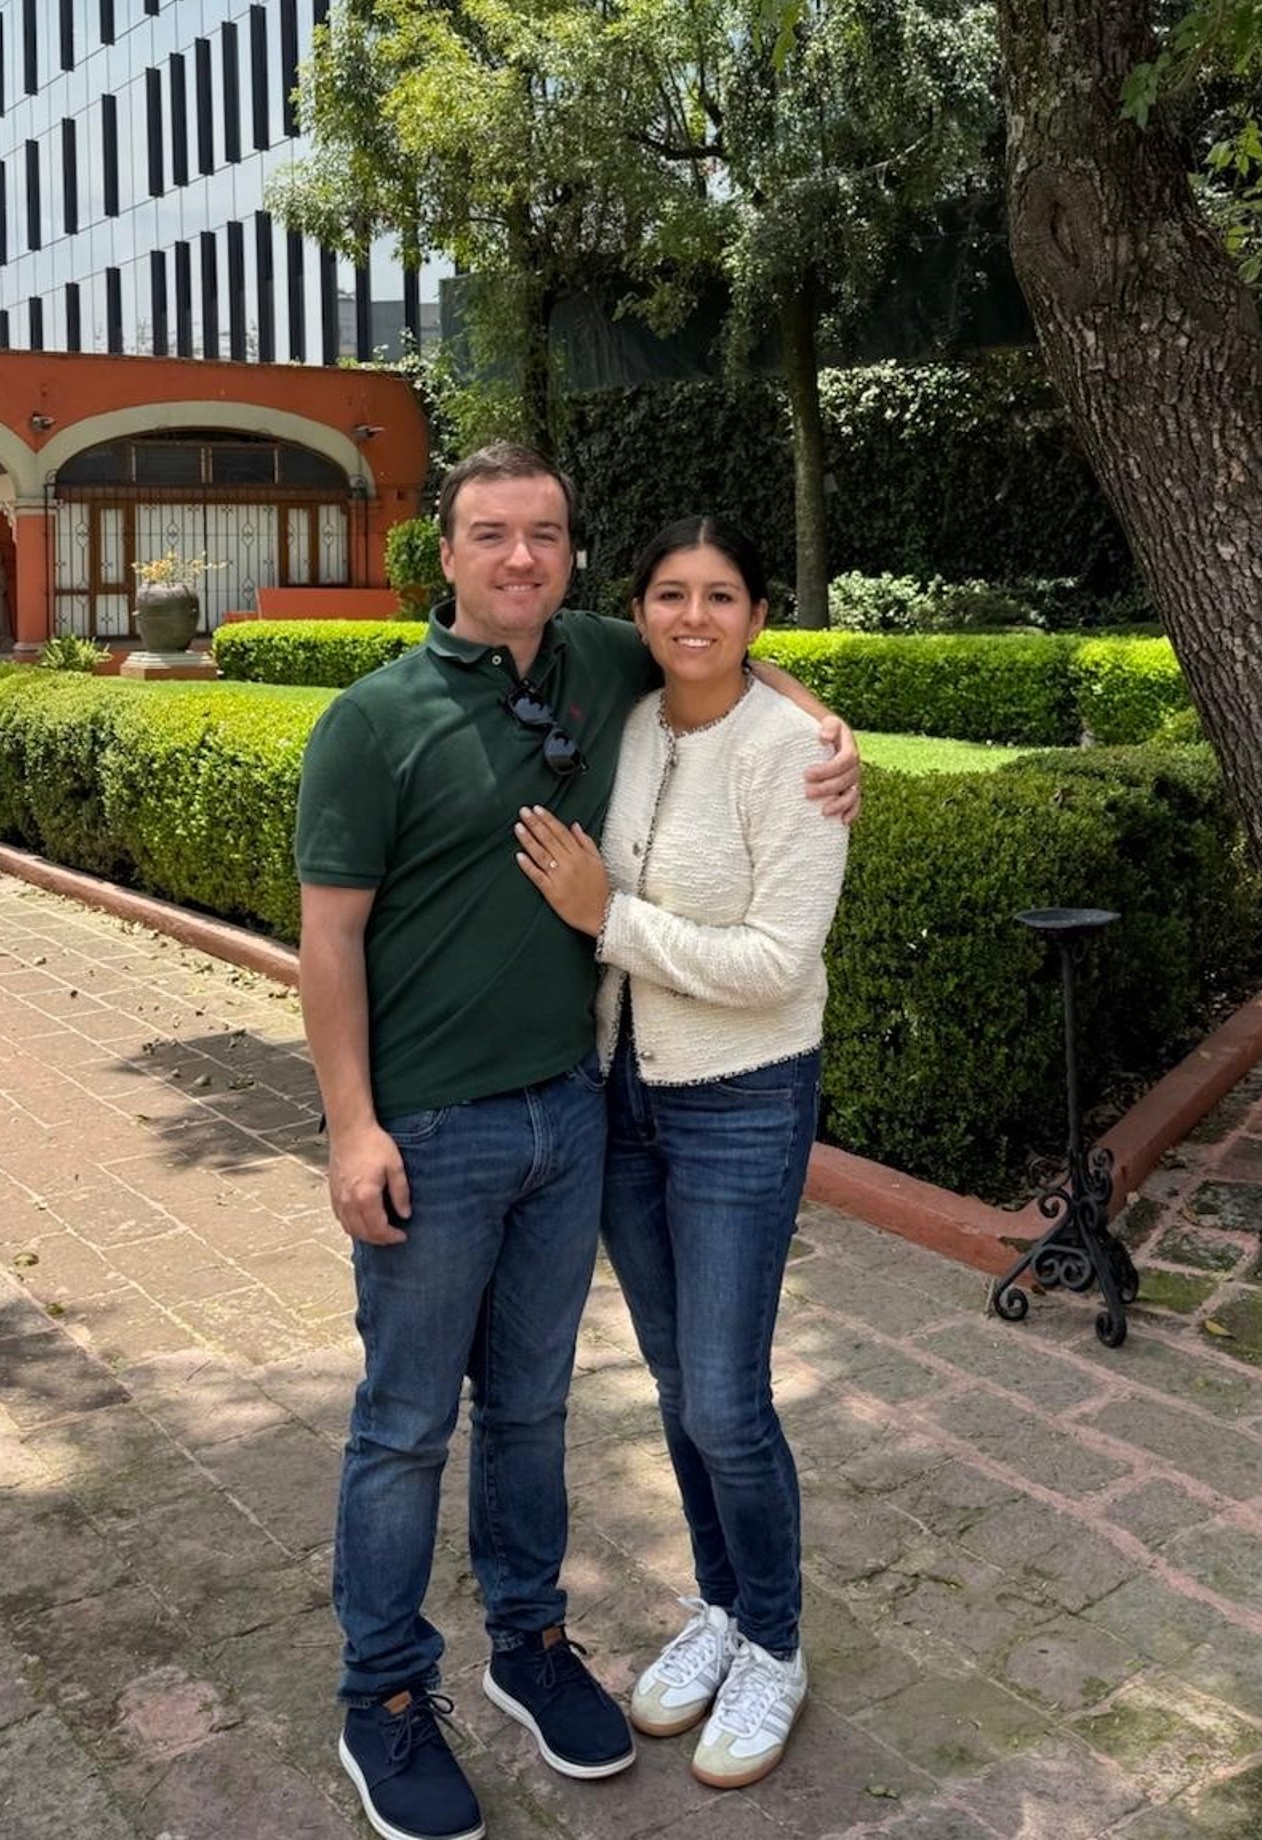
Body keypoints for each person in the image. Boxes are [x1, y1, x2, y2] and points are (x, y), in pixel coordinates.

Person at [294, 448, 859, 1840]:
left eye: (545, 536)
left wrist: (825, 724)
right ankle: (383, 1694)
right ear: (444, 552)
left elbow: (715, 648)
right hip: (430, 1129)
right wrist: (351, 1125)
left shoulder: (591, 658)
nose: (522, 559)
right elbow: (328, 939)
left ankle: (534, 1643)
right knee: (407, 1425)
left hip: (575, 1109)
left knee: (542, 1409)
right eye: (491, 536)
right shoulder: (373, 723)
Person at [516, 516, 849, 1795]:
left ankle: (775, 1636)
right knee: (669, 1379)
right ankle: (719, 1606)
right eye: (670, 594)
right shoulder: (631, 719)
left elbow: (777, 965)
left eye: (722, 597)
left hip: (743, 1098)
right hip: (626, 1097)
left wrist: (612, 921)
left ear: (759, 615)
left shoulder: (796, 758)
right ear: (639, 609)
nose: (693, 617)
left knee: (725, 1394)